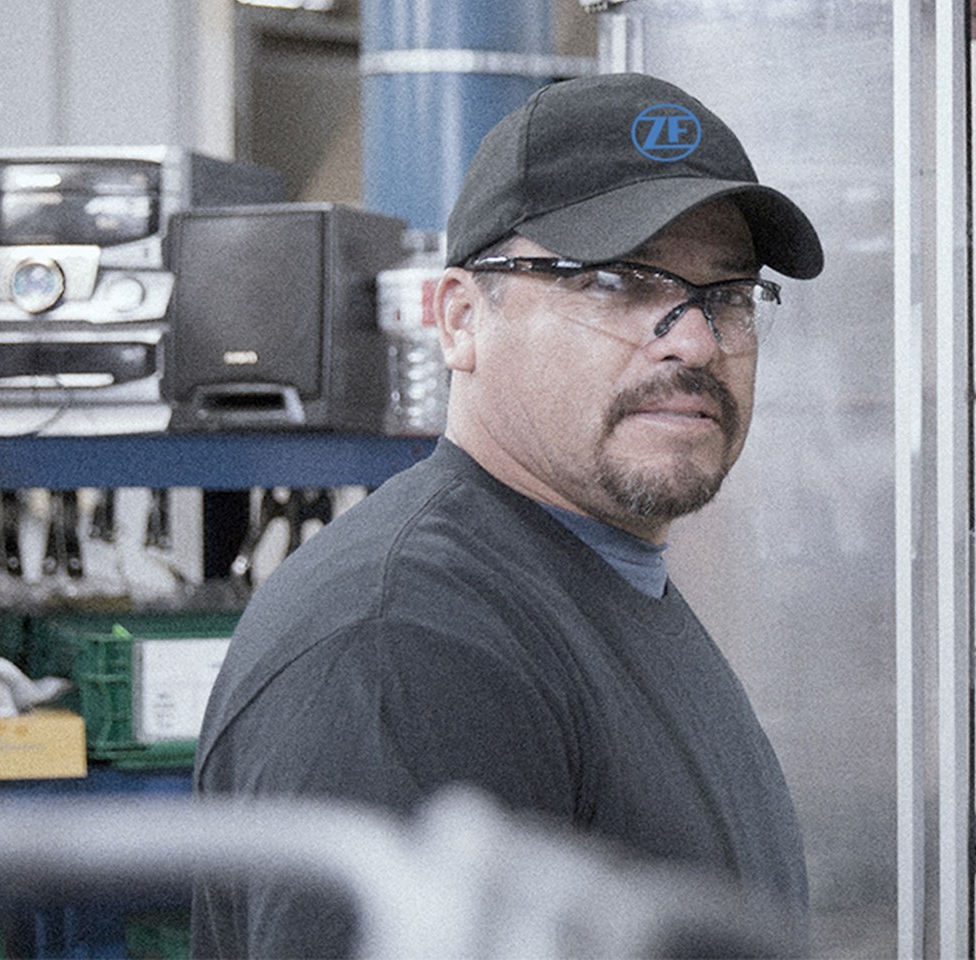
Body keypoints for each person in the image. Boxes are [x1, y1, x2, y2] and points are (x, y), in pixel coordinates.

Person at [191, 72, 824, 957]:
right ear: (459, 320)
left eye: (725, 295)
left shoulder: (603, 579)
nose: (693, 338)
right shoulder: (404, 646)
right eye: (615, 281)